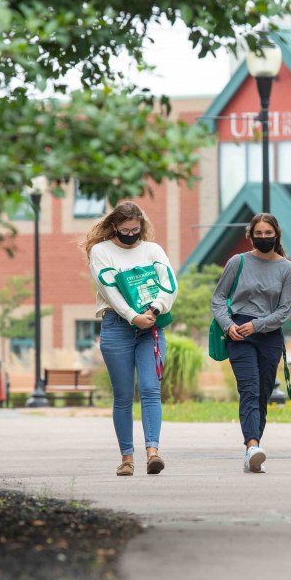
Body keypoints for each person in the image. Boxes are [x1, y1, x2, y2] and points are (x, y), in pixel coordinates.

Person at [82, 202, 177, 476]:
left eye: (136, 229)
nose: (131, 234)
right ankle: (127, 458)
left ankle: (153, 453)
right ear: (114, 226)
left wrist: (156, 308)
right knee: (123, 395)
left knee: (150, 389)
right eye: (125, 230)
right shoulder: (101, 252)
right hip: (117, 324)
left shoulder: (153, 250)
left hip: (152, 325)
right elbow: (109, 288)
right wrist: (132, 316)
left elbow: (169, 283)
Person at [211, 213, 291, 473]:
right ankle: (252, 447)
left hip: (269, 335)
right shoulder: (237, 262)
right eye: (258, 234)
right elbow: (218, 299)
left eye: (268, 233)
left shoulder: (288, 269)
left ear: (276, 235)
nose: (263, 238)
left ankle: (253, 449)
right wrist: (229, 326)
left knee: (262, 393)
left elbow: (285, 311)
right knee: (249, 389)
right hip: (238, 333)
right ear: (250, 235)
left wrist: (258, 325)